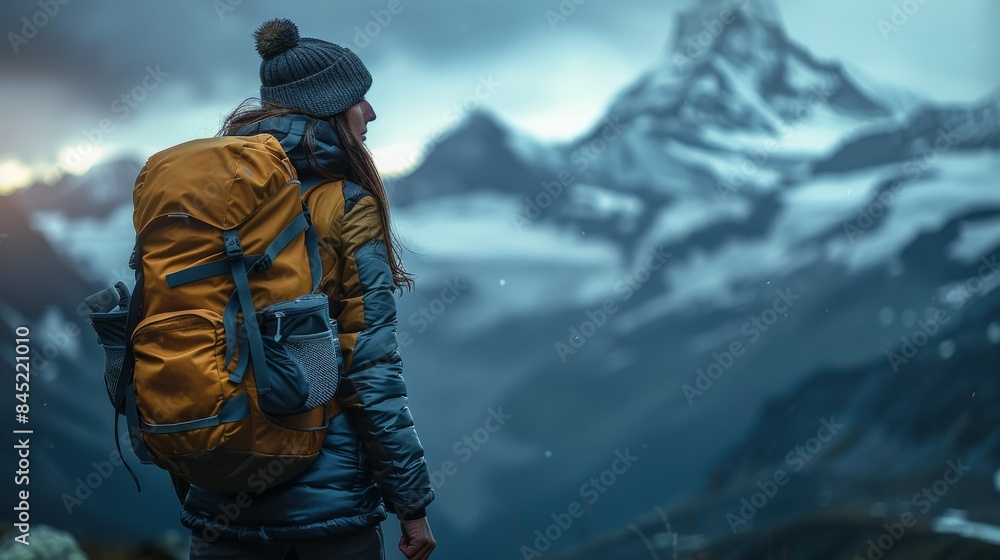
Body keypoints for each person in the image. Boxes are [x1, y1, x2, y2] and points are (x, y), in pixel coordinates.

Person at [179, 18, 436, 560]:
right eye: (359, 100)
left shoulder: (209, 201)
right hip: (327, 512)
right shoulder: (345, 205)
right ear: (327, 107)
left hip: (219, 496)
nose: (371, 114)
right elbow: (369, 368)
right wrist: (411, 505)